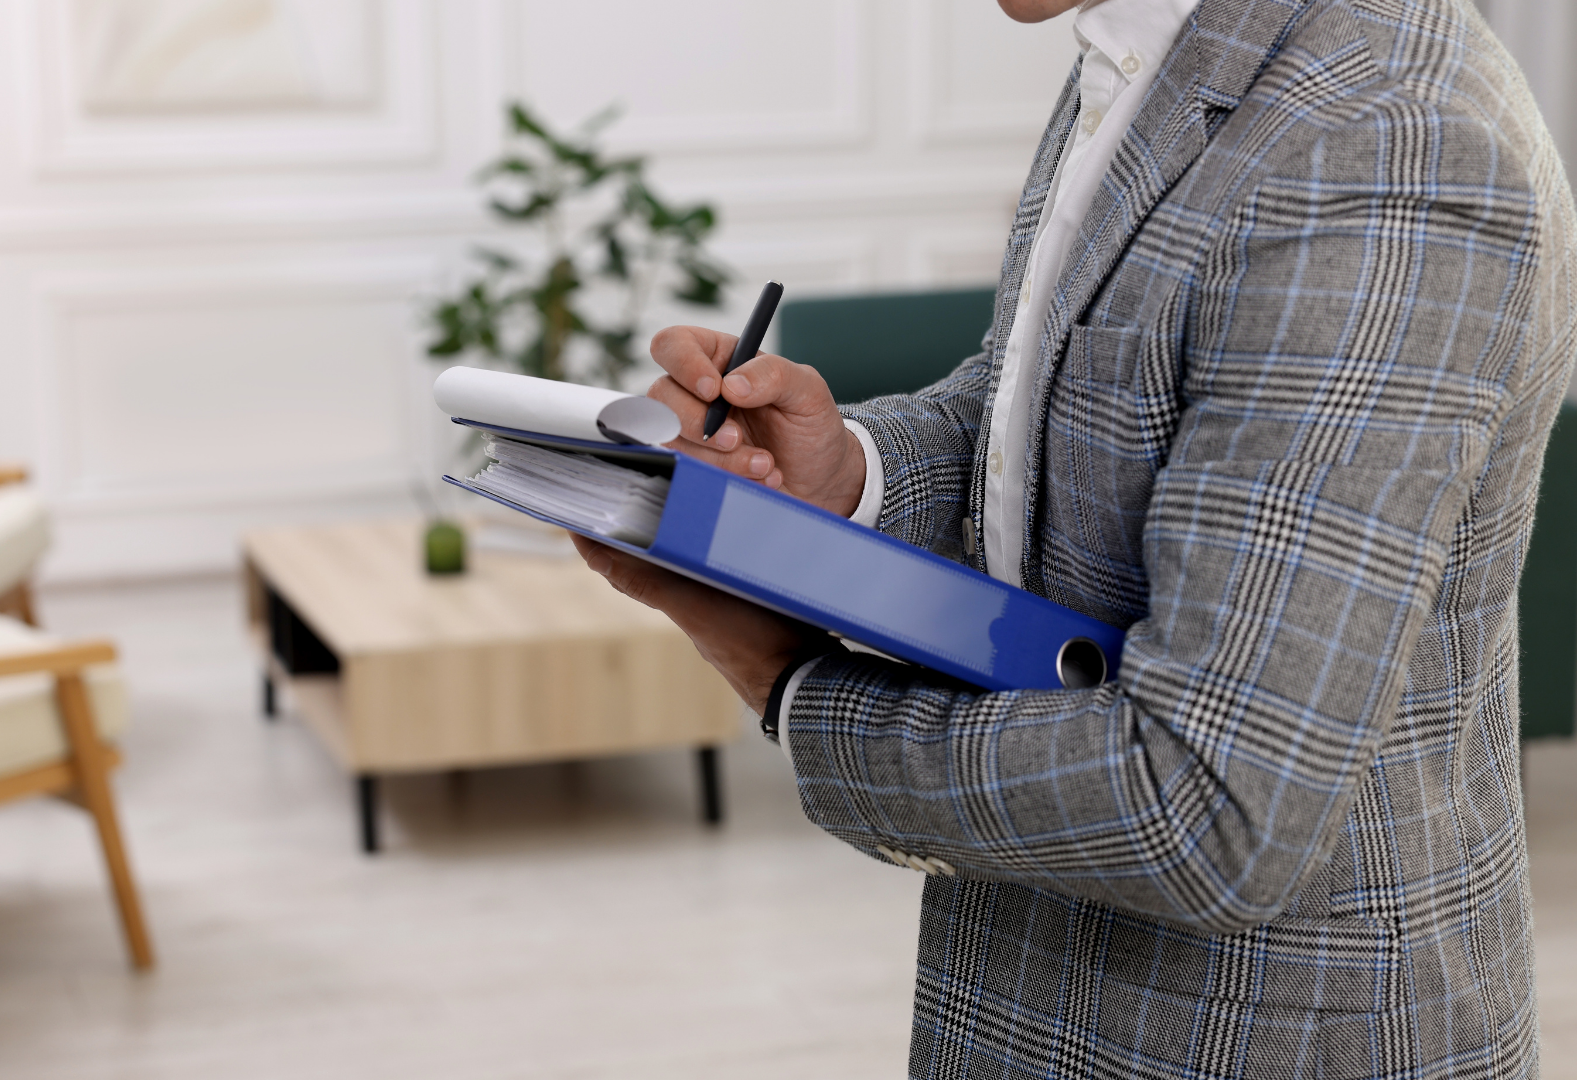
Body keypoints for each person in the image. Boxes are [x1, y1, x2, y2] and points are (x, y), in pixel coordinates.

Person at [573, 0, 1577, 1073]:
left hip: (1252, 1037)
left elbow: (1208, 805)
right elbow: (1061, 401)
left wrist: (782, 679)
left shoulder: (1388, 140)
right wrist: (845, 473)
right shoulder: (1150, 38)